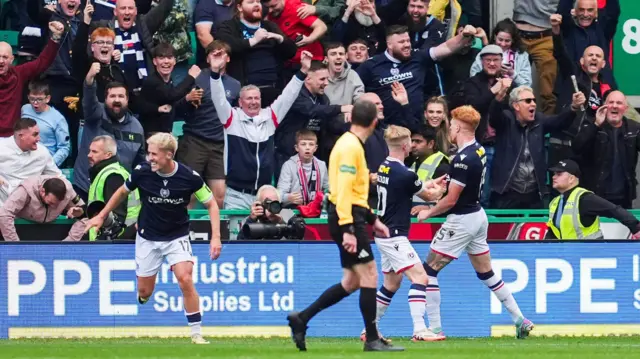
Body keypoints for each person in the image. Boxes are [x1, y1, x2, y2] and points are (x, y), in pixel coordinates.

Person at [286, 99, 403, 352]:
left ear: (351, 118)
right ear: (374, 122)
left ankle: (301, 319)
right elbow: (343, 191)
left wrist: (373, 219)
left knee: (351, 281)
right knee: (370, 275)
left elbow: (353, 190)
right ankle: (372, 339)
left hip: (350, 215)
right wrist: (349, 228)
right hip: (347, 218)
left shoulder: (350, 145)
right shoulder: (350, 147)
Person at [85, 132, 222, 345]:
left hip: (177, 236)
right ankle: (144, 294)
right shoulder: (142, 172)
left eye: (154, 154)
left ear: (169, 155)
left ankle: (196, 333)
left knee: (185, 277)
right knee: (144, 291)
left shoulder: (189, 177)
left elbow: (212, 204)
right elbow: (121, 192)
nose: (150, 158)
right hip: (148, 237)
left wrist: (216, 238)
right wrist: (101, 216)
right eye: (148, 153)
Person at [417, 105, 534, 340]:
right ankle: (520, 319)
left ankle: (436, 328)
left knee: (427, 271)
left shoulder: (462, 158)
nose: (449, 128)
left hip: (462, 220)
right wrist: (446, 179)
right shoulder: (478, 150)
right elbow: (463, 180)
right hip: (478, 216)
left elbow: (451, 199)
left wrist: (427, 212)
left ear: (458, 126)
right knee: (486, 272)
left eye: (451, 124)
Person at [362, 125, 446, 342]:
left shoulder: (385, 167)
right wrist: (441, 190)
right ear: (405, 145)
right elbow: (428, 196)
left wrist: (428, 184)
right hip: (395, 235)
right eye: (411, 141)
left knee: (391, 283)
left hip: (383, 234)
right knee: (420, 277)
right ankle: (420, 329)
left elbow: (411, 186)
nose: (412, 145)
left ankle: (369, 329)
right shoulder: (406, 173)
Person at [207, 50, 312, 209]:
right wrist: (214, 73)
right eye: (249, 98)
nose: (254, 102)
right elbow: (218, 98)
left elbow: (287, 97)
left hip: (263, 194)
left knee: (264, 234)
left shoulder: (270, 117)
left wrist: (303, 71)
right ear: (240, 102)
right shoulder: (231, 118)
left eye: (257, 98)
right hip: (236, 195)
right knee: (237, 234)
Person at [73, 64, 146, 201]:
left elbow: (140, 162)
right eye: (112, 96)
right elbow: (89, 100)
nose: (117, 100)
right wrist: (89, 80)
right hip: (86, 188)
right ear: (105, 99)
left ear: (127, 99)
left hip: (117, 192)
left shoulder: (137, 128)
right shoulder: (96, 114)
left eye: (120, 96)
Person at [572, 91, 640, 209]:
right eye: (611, 102)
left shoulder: (634, 128)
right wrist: (596, 124)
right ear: (604, 105)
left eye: (619, 103)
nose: (614, 106)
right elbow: (577, 147)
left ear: (625, 108)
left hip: (624, 196)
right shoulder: (592, 124)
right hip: (596, 195)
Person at [546, 159, 640, 240]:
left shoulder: (584, 198)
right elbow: (553, 231)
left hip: (591, 253)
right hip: (570, 254)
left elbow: (614, 210)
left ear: (571, 179)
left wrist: (636, 228)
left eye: (559, 174)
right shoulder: (555, 202)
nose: (554, 177)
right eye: (554, 174)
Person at [87, 135, 140, 241]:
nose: (89, 155)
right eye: (90, 151)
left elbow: (116, 217)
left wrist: (105, 242)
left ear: (108, 155)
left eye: (94, 152)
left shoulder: (113, 176)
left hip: (117, 243)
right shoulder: (106, 172)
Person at [0, 176, 85, 241]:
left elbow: (86, 214)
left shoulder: (69, 192)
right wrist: (15, 245)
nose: (54, 207)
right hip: (22, 230)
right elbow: (4, 214)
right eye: (51, 203)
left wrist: (70, 241)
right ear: (42, 191)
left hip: (52, 233)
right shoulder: (26, 190)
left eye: (58, 204)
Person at [0, 118, 61, 206]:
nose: (39, 138)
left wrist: (77, 204)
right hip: (3, 206)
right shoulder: (2, 147)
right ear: (21, 136)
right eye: (35, 135)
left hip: (31, 209)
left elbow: (58, 177)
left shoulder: (42, 152)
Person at [20, 80, 71, 167]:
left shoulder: (58, 119)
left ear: (47, 98)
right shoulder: (25, 109)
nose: (35, 103)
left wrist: (50, 164)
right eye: (32, 99)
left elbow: (64, 148)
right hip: (24, 160)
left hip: (45, 162)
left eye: (39, 99)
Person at [277, 129, 329, 208]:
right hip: (292, 209)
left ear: (315, 148)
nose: (307, 148)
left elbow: (328, 189)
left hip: (315, 209)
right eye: (303, 144)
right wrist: (289, 197)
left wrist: (323, 197)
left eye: (311, 144)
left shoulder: (321, 165)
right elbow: (279, 195)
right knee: (284, 217)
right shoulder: (288, 165)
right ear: (297, 148)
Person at [406, 124, 450, 211]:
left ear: (431, 144)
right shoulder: (414, 163)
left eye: (418, 142)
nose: (412, 145)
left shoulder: (442, 166)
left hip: (433, 219)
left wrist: (429, 208)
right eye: (412, 141)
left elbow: (449, 197)